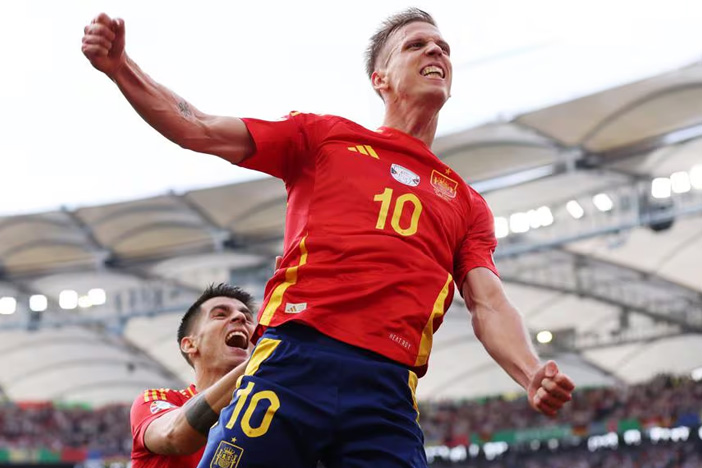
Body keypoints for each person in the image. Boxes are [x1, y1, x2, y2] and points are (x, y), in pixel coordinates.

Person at [83, 9, 575, 467]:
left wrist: (529, 371)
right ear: (380, 79)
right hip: (294, 363)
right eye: (416, 45)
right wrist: (122, 68)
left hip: (387, 389)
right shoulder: (324, 139)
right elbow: (201, 129)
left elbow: (489, 303)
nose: (435, 51)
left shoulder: (466, 203)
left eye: (443, 47)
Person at [129, 283, 256, 468]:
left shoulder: (268, 412)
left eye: (248, 318)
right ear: (190, 344)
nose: (240, 317)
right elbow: (175, 435)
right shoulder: (157, 400)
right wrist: (258, 362)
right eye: (220, 314)